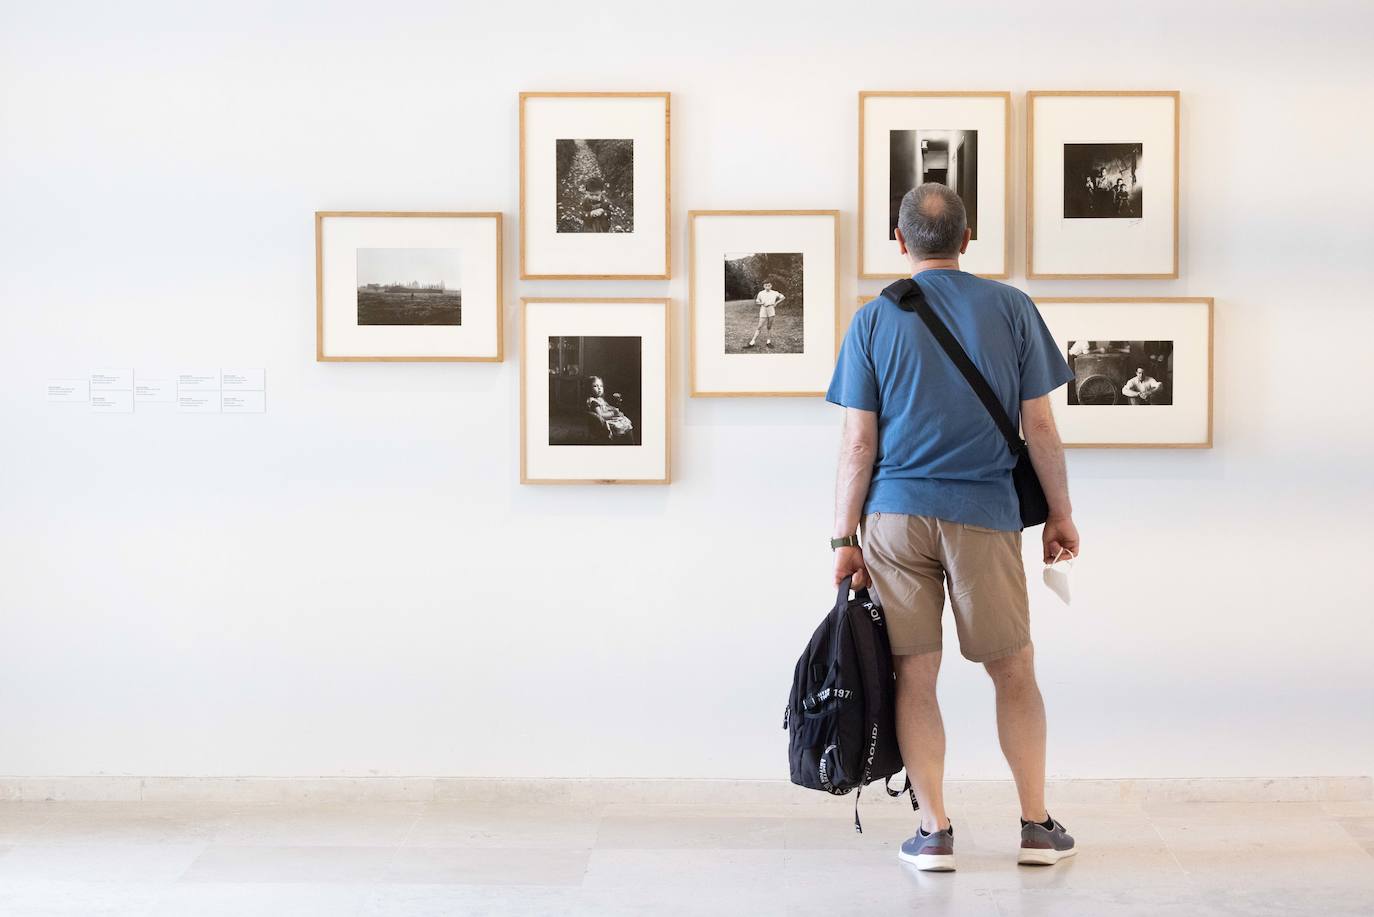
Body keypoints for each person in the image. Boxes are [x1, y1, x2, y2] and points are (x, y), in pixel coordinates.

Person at [827, 183, 1080, 872]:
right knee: (1014, 669)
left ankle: (934, 830)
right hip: (985, 515)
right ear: (967, 239)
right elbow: (1042, 427)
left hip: (895, 517)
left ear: (900, 241)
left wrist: (845, 538)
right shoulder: (1012, 308)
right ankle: (1035, 825)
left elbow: (858, 445)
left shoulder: (874, 319)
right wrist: (1059, 512)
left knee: (916, 671)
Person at [585, 375, 633, 440]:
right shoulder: (594, 402)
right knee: (623, 425)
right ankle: (626, 441)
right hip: (603, 424)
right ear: (589, 388)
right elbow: (600, 415)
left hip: (607, 418)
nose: (599, 388)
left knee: (624, 420)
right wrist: (613, 413)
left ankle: (628, 441)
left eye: (601, 386)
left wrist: (614, 410)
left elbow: (607, 407)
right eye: (595, 386)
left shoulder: (600, 399)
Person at [746, 281, 785, 349]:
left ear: (771, 286)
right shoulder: (761, 293)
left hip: (771, 310)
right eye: (766, 285)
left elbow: (783, 297)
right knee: (759, 326)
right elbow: (757, 301)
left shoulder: (775, 292)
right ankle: (752, 342)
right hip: (763, 310)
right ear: (764, 286)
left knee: (769, 326)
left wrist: (776, 303)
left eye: (769, 285)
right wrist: (761, 303)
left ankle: (768, 342)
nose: (767, 287)